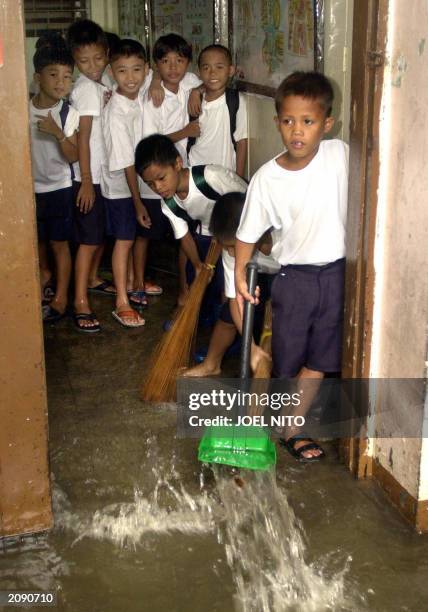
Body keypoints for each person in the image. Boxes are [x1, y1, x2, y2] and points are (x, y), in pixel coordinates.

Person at [235, 71, 349, 461]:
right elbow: (246, 237)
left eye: (308, 121)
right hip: (293, 278)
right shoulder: (267, 179)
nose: (296, 131)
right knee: (287, 357)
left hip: (336, 273)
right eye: (288, 121)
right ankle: (263, 418)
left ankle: (292, 428)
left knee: (320, 360)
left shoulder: (340, 155)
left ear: (326, 124)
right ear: (277, 123)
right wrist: (238, 277)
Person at [134, 134, 247, 312]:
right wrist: (197, 265)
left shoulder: (210, 177)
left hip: (238, 233)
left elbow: (246, 202)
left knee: (229, 286)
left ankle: (229, 316)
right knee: (198, 276)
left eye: (161, 178)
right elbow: (184, 237)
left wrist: (233, 243)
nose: (158, 188)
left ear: (178, 164)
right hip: (209, 232)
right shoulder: (168, 204)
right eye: (150, 184)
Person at [182, 192, 279, 377]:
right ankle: (211, 364)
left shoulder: (282, 235)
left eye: (233, 247)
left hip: (286, 273)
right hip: (252, 273)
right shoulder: (230, 252)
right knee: (228, 316)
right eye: (225, 246)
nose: (230, 252)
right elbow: (235, 300)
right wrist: (250, 347)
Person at [142, 33, 203, 304]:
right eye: (165, 62)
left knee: (185, 230)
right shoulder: (153, 95)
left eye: (180, 60)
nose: (173, 67)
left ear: (188, 63)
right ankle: (178, 286)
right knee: (167, 231)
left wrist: (198, 91)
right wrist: (186, 131)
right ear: (157, 64)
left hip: (184, 171)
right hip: (162, 176)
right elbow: (152, 143)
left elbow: (210, 79)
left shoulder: (189, 81)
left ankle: (187, 287)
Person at [101, 38, 152, 327]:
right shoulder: (115, 112)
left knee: (134, 236)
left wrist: (154, 82)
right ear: (111, 72)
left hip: (138, 183)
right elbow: (126, 163)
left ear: (146, 69)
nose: (130, 78)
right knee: (124, 239)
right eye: (122, 71)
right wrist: (137, 202)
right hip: (121, 186)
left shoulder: (142, 89)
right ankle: (121, 300)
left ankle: (135, 281)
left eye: (136, 70)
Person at [67, 19, 113, 332]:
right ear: (74, 59)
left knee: (97, 236)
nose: (92, 66)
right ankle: (79, 301)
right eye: (83, 61)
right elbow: (83, 138)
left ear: (107, 54)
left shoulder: (98, 85)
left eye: (97, 59)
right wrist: (86, 180)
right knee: (88, 240)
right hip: (88, 177)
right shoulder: (85, 90)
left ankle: (94, 279)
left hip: (97, 175)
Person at [30, 43, 79, 322]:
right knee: (37, 241)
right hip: (31, 188)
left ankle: (61, 298)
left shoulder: (66, 113)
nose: (61, 82)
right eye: (53, 75)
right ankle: (43, 276)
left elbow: (72, 156)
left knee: (60, 243)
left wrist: (57, 133)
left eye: (66, 76)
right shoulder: (22, 109)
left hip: (59, 187)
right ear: (38, 77)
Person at [188, 44, 248, 178]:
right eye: (206, 67)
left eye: (219, 67)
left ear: (231, 70)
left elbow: (241, 142)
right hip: (195, 171)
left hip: (225, 173)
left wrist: (238, 178)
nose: (212, 73)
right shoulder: (194, 99)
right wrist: (196, 91)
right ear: (199, 72)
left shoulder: (236, 100)